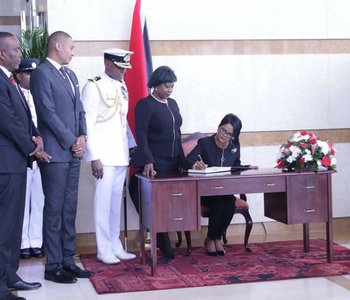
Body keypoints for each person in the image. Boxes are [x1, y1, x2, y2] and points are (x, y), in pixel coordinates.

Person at [30, 31, 94, 284]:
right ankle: (53, 265)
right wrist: (71, 141)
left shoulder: (70, 74)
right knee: (54, 209)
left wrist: (82, 137)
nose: (73, 51)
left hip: (73, 152)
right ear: (58, 46)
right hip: (57, 154)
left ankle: (68, 260)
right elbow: (47, 113)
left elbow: (79, 109)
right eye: (71, 47)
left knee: (69, 209)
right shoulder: (42, 74)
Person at [0, 32, 51, 300]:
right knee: (5, 226)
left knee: (12, 225)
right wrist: (33, 147)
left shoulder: (9, 81)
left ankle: (9, 275)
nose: (20, 54)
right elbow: (7, 121)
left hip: (16, 162)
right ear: (2, 53)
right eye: (16, 50)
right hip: (5, 164)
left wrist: (37, 136)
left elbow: (23, 117)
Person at [81, 48, 137, 265]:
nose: (123, 71)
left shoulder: (121, 86)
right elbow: (88, 125)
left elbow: (122, 122)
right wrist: (94, 156)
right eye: (119, 66)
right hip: (103, 156)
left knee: (115, 203)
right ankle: (103, 249)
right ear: (107, 63)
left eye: (125, 67)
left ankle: (115, 244)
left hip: (120, 154)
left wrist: (131, 146)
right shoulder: (93, 86)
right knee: (103, 203)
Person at [132, 66, 185, 260]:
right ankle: (164, 246)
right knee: (158, 207)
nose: (170, 89)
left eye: (172, 86)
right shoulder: (145, 105)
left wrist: (183, 161)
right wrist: (148, 160)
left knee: (172, 205)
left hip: (173, 163)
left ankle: (168, 244)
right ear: (155, 84)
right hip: (156, 163)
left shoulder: (173, 104)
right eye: (166, 85)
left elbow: (177, 134)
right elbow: (142, 134)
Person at [185, 113, 253, 256]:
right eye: (223, 130)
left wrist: (247, 167)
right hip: (204, 191)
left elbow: (236, 165)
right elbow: (186, 162)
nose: (224, 136)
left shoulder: (234, 145)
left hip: (224, 190)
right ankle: (211, 239)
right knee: (219, 204)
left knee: (229, 203)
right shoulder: (205, 143)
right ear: (218, 127)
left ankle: (215, 237)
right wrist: (195, 165)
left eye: (229, 134)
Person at [16, 58, 45, 260]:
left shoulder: (41, 94)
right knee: (23, 201)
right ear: (19, 75)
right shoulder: (15, 93)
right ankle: (23, 242)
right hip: (24, 154)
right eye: (28, 74)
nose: (32, 78)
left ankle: (36, 240)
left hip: (43, 154)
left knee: (39, 199)